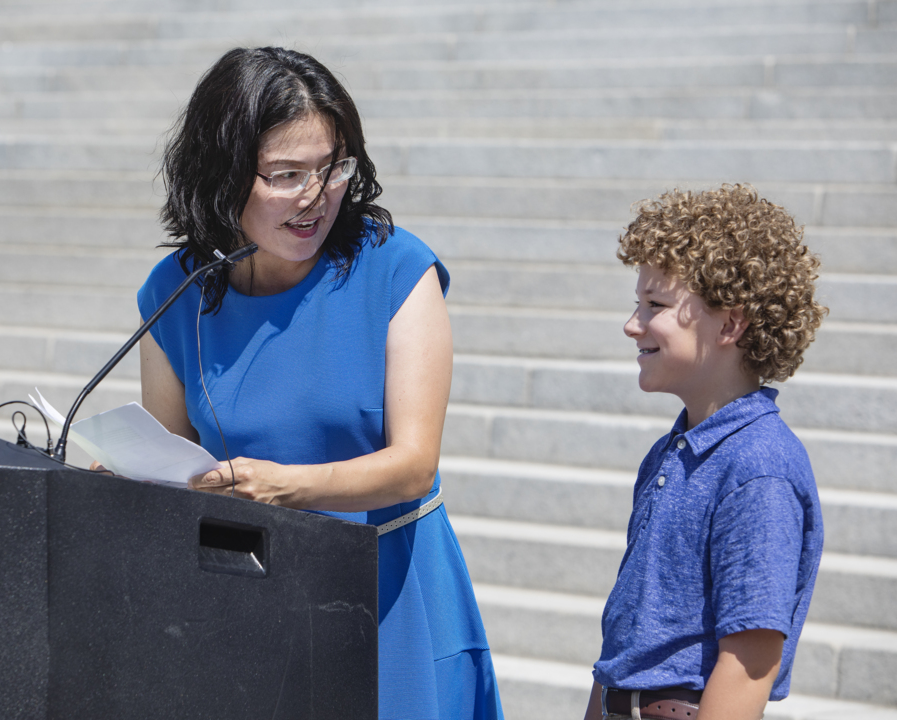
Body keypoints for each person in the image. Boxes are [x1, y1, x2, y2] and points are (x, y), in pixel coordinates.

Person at [135, 47, 503, 719]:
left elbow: (413, 465)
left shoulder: (395, 268)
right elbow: (166, 462)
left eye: (333, 167)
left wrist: (286, 485)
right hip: (249, 603)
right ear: (221, 177)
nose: (314, 196)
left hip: (388, 597)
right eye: (285, 174)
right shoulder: (175, 290)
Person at [582, 185, 827, 720]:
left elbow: (752, 658)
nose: (632, 324)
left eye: (657, 306)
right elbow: (631, 640)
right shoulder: (671, 453)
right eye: (637, 303)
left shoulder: (758, 466)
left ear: (731, 324)